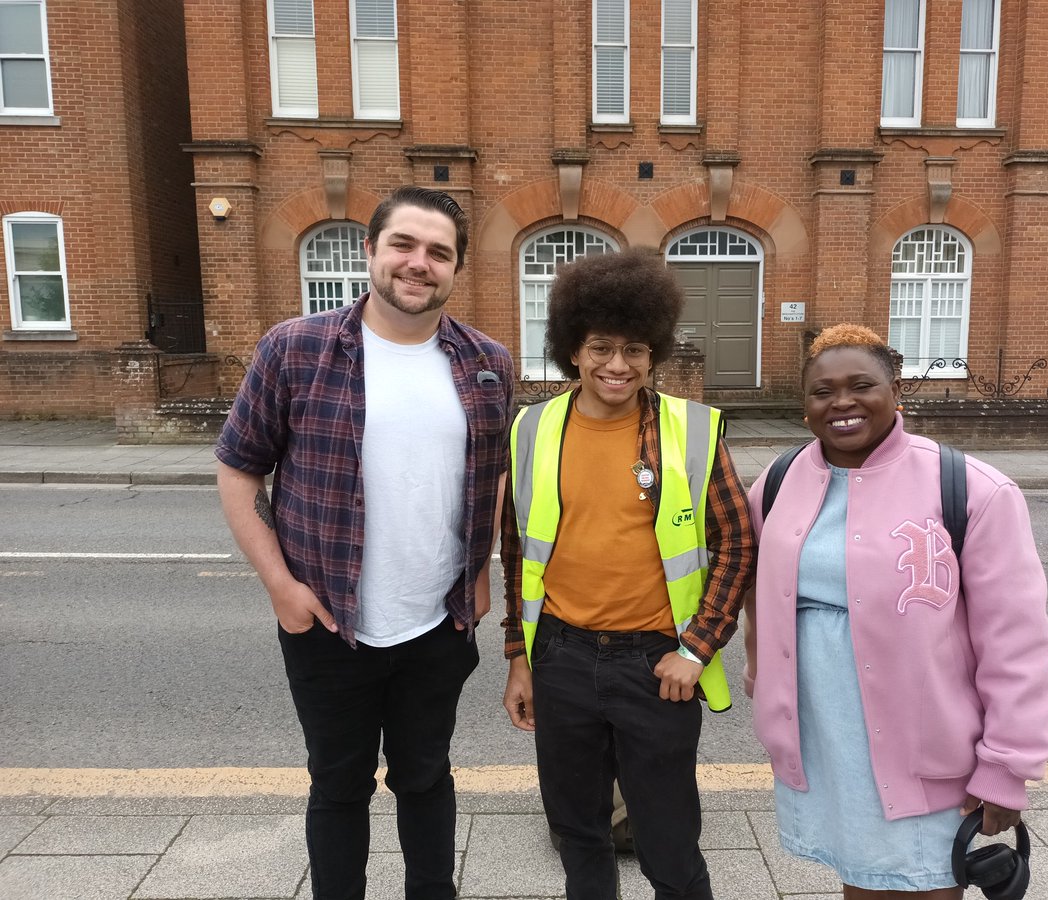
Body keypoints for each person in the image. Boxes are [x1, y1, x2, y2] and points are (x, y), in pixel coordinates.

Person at [215, 185, 514, 900]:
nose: (419, 264)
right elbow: (236, 470)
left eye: (438, 252)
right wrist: (282, 589)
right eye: (403, 245)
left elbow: (496, 472)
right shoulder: (296, 348)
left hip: (438, 623)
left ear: (456, 268)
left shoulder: (488, 363)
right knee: (340, 784)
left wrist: (482, 573)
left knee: (426, 777)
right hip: (326, 622)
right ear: (370, 251)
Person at [743, 323, 1048, 899]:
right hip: (824, 731)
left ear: (896, 393)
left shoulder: (972, 489)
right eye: (822, 390)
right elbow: (756, 584)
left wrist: (1006, 766)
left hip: (923, 741)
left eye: (861, 385)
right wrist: (760, 667)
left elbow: (1018, 646)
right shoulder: (779, 481)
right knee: (860, 875)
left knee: (927, 882)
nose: (842, 402)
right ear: (804, 405)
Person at [500, 247, 754, 900]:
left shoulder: (691, 431)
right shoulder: (531, 428)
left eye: (635, 350)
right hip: (561, 656)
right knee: (579, 835)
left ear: (654, 353)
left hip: (655, 668)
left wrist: (696, 650)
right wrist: (519, 659)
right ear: (572, 349)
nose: (618, 365)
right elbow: (516, 547)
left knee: (669, 844)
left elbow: (737, 544)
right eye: (601, 347)